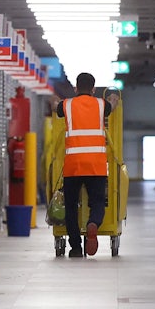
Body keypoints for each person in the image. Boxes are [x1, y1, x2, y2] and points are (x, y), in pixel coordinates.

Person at [56, 72, 120, 257]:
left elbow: (56, 109)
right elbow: (113, 106)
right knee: (98, 201)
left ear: (75, 88)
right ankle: (93, 223)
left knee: (71, 206)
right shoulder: (101, 105)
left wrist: (55, 101)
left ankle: (75, 247)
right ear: (93, 89)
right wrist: (114, 99)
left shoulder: (66, 105)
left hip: (73, 165)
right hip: (96, 165)